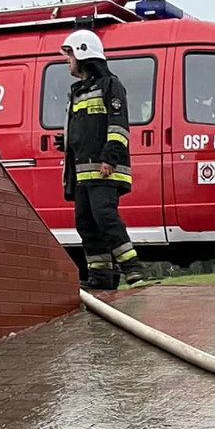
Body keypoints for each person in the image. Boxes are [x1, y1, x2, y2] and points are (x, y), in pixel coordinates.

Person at [60, 30, 147, 289]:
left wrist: (109, 157)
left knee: (104, 217)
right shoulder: (78, 91)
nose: (68, 61)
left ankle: (134, 270)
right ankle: (101, 279)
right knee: (85, 223)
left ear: (84, 53)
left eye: (70, 55)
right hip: (83, 173)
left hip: (106, 169)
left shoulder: (111, 86)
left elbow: (117, 126)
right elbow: (84, 127)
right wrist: (65, 141)